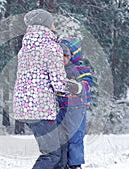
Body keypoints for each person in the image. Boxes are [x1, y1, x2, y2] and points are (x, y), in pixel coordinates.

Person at [13, 9, 69, 169]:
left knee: (60, 145)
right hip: (41, 108)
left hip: (25, 106)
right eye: (52, 21)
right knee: (51, 154)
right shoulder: (51, 47)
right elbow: (58, 82)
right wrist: (73, 88)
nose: (54, 25)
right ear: (46, 24)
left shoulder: (25, 48)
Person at [55, 38, 93, 169]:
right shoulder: (58, 70)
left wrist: (80, 87)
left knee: (75, 137)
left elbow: (87, 84)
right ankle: (62, 162)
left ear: (73, 55)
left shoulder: (81, 69)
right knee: (60, 136)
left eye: (65, 55)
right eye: (60, 55)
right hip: (63, 108)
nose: (62, 58)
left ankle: (75, 164)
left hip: (77, 108)